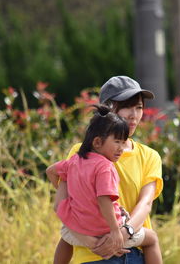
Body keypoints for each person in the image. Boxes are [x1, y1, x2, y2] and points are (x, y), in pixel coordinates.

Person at [51, 76, 164, 264]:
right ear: (107, 109)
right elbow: (67, 198)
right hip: (90, 255)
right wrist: (92, 235)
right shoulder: (81, 152)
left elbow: (145, 204)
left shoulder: (149, 156)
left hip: (132, 254)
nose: (134, 115)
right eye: (128, 106)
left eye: (139, 107)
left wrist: (122, 232)